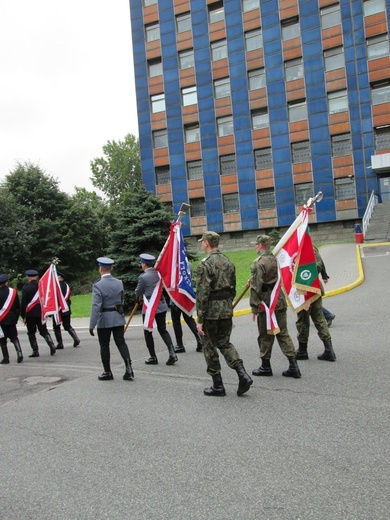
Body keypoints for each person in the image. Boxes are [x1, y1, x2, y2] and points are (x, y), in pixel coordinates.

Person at [196, 231, 253, 397]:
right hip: (226, 309)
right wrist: (226, 304)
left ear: (206, 243)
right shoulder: (228, 262)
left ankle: (218, 385)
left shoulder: (204, 264)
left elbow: (202, 293)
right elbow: (233, 287)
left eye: (202, 241)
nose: (202, 244)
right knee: (225, 343)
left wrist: (200, 319)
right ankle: (242, 374)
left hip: (210, 313)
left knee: (209, 346)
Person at [249, 235, 301, 378]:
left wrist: (254, 306)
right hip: (279, 299)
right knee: (283, 333)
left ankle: (266, 366)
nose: (255, 247)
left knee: (265, 335)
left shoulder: (258, 263)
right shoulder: (276, 259)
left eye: (256, 245)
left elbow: (256, 287)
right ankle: (293, 366)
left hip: (266, 303)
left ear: (260, 245)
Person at [89, 257, 134, 381]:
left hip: (104, 319)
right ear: (111, 268)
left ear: (100, 269)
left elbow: (96, 306)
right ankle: (129, 369)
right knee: (121, 342)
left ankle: (108, 372)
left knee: (104, 345)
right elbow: (121, 300)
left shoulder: (98, 285)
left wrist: (92, 324)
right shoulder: (119, 282)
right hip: (117, 317)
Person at [295, 246, 337, 362]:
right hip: (313, 287)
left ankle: (302, 350)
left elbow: (318, 265)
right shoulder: (306, 246)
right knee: (319, 319)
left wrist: (303, 274)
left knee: (303, 320)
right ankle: (329, 350)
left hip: (306, 288)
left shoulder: (307, 247)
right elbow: (320, 263)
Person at [135, 254, 178, 366]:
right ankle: (172, 352)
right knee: (163, 330)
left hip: (149, 307)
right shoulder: (159, 273)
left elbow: (138, 292)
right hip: (161, 305)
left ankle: (153, 357)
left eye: (141, 263)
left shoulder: (142, 277)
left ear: (144, 264)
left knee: (148, 331)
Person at [21, 269, 56, 357]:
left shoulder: (26, 288)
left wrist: (23, 315)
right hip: (41, 312)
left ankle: (35, 351)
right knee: (43, 331)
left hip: (30, 314)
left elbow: (23, 303)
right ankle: (51, 344)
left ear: (28, 277)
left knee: (31, 332)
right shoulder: (42, 286)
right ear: (36, 277)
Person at [171, 262, 202, 353]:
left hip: (177, 296)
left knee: (176, 321)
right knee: (189, 319)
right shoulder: (188, 264)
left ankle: (179, 345)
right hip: (187, 295)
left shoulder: (174, 265)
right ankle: (200, 340)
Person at [52, 272, 80, 349]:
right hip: (66, 308)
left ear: (59, 277)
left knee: (56, 326)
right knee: (67, 325)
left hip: (58, 309)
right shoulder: (66, 286)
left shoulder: (56, 286)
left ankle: (60, 343)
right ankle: (76, 338)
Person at [0, 274, 23, 364]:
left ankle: (6, 358)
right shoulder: (13, 292)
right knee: (14, 337)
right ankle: (19, 353)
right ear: (6, 282)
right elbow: (18, 306)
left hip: (1, 319)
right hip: (11, 317)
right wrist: (16, 317)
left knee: (2, 339)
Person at [319, 254, 336, 327]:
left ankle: (327, 315)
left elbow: (320, 262)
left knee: (310, 303)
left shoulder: (310, 248)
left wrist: (324, 275)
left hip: (310, 282)